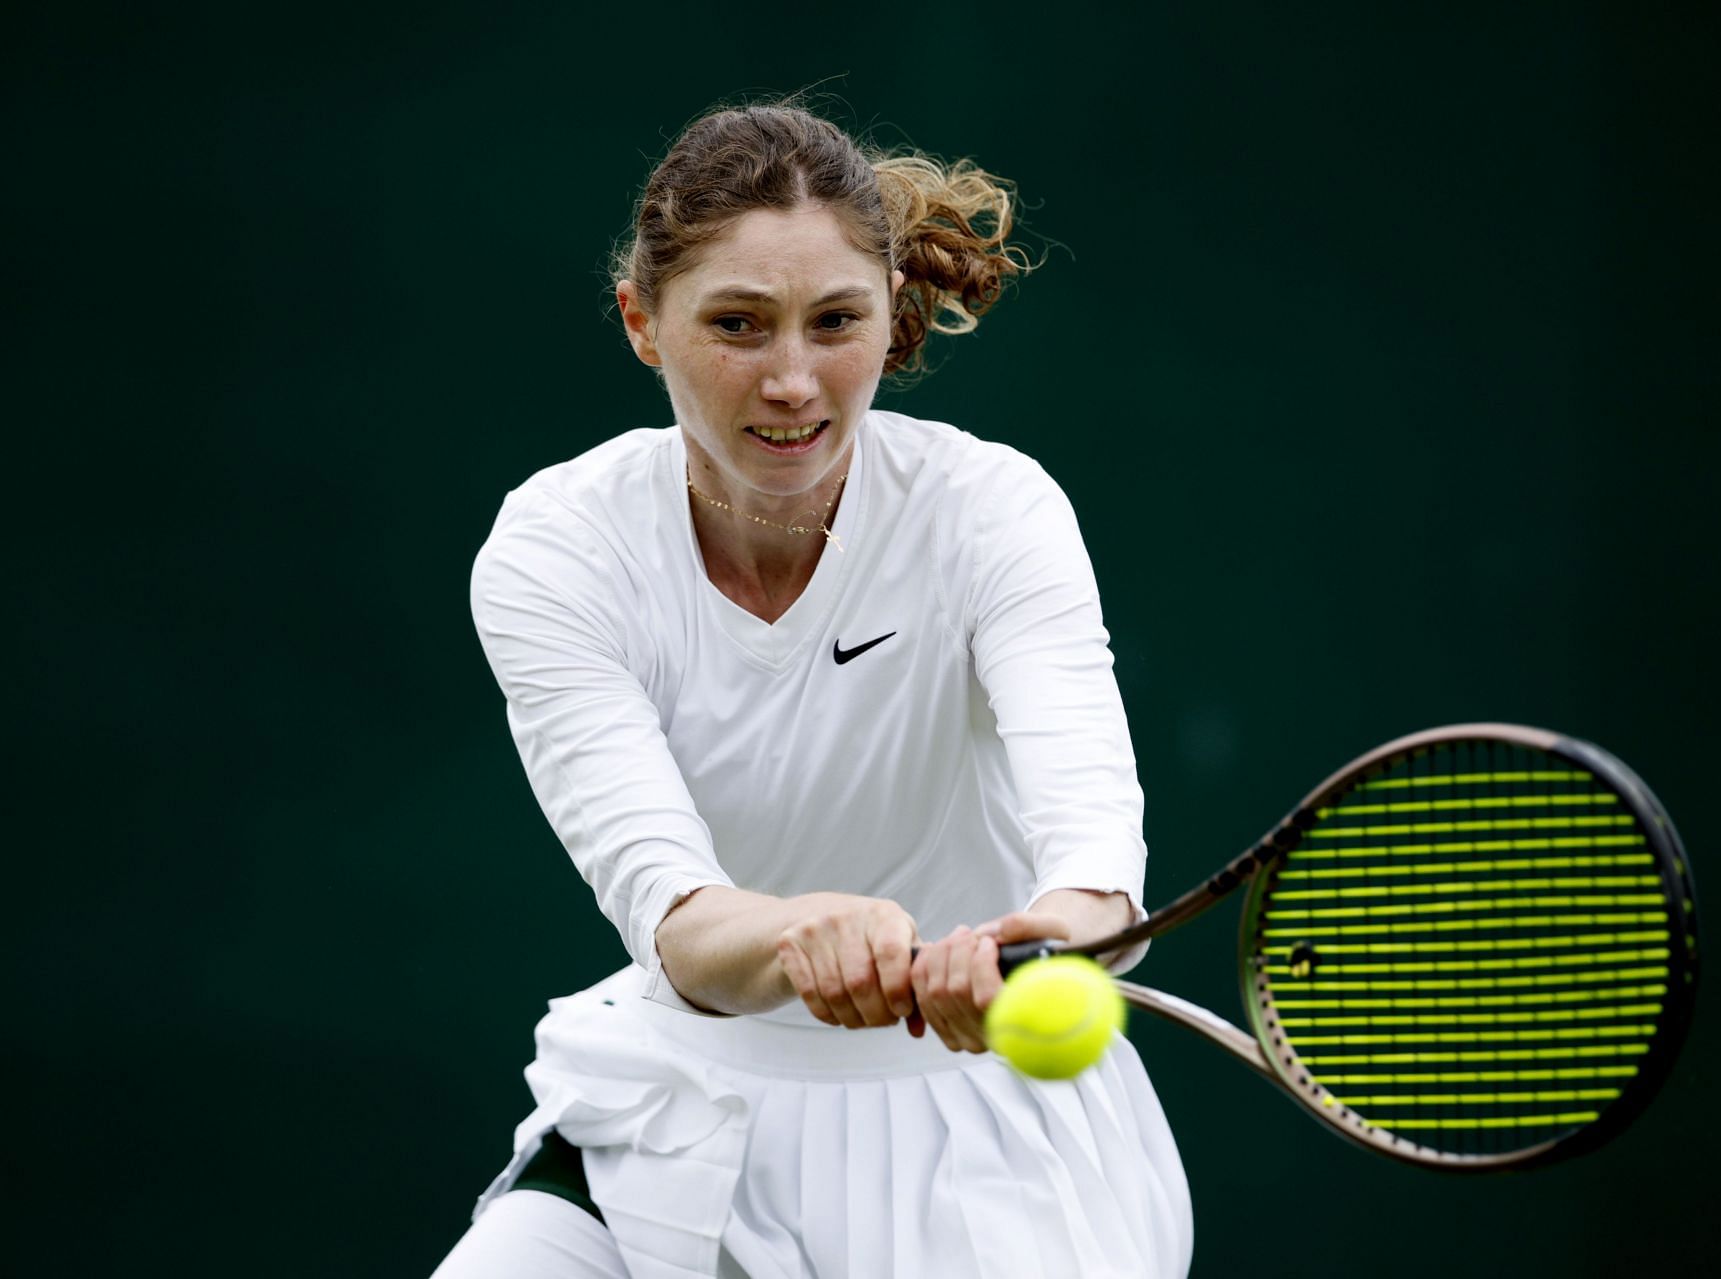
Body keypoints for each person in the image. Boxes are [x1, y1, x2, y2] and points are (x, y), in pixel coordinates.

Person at [434, 100, 1193, 1279]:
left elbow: (1095, 866)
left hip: (990, 1149)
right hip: (681, 1120)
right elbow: (676, 917)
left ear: (892, 318)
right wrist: (799, 934)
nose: (793, 379)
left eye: (836, 322)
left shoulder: (995, 514)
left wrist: (1040, 936)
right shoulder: (556, 552)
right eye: (738, 324)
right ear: (643, 321)